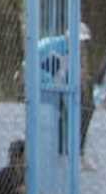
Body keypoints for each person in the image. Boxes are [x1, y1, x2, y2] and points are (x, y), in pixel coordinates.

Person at [35, 22, 96, 170]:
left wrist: (81, 72)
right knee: (64, 110)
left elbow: (76, 81)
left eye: (84, 42)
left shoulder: (77, 55)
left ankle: (77, 153)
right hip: (41, 88)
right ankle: (63, 152)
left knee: (86, 107)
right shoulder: (49, 45)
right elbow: (29, 65)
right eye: (79, 40)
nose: (81, 44)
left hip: (62, 91)